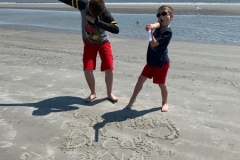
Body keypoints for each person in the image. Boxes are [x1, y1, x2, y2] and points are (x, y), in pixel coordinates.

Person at [58, 0, 119, 103]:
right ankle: (93, 93)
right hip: (89, 44)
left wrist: (97, 21)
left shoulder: (105, 12)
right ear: (89, 7)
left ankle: (109, 93)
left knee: (109, 67)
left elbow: (116, 29)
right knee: (87, 69)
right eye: (91, 13)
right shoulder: (83, 5)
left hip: (103, 43)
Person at [126, 5, 174, 112]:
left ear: (171, 16)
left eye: (164, 14)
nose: (161, 16)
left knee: (161, 84)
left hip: (161, 63)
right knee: (140, 79)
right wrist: (151, 26)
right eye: (158, 14)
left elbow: (154, 43)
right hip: (151, 62)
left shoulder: (168, 32)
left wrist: (149, 32)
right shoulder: (159, 25)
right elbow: (156, 24)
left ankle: (165, 102)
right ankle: (132, 100)